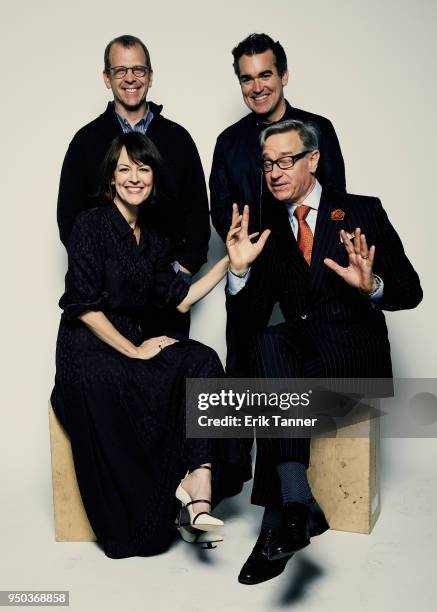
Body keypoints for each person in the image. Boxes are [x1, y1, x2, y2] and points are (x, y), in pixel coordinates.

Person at [225, 119, 423, 584]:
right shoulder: (269, 227)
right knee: (268, 344)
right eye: (268, 162)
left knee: (275, 387)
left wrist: (371, 284)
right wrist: (239, 273)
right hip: (302, 357)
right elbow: (250, 319)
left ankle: (280, 524)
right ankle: (297, 505)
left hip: (355, 354)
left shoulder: (361, 211)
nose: (274, 171)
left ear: (313, 160)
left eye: (286, 160)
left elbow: (410, 290)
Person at [51, 132, 246, 559]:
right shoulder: (89, 225)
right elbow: (83, 308)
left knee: (202, 359)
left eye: (142, 168)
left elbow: (181, 297)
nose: (134, 177)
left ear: (153, 176)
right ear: (111, 179)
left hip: (131, 338)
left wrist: (230, 261)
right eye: (124, 169)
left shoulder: (156, 238)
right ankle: (145, 512)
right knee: (109, 378)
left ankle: (199, 480)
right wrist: (134, 350)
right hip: (87, 345)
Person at [210, 32, 346, 376]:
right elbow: (220, 206)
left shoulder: (318, 130)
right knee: (241, 365)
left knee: (317, 359)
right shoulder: (228, 142)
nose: (257, 87)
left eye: (265, 75)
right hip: (253, 265)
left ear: (283, 76)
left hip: (309, 264)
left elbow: (335, 200)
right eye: (247, 78)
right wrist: (246, 248)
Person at [57, 34, 210, 337]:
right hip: (105, 301)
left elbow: (197, 216)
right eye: (120, 71)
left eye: (138, 70)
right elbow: (69, 219)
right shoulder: (85, 142)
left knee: (171, 377)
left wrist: (180, 273)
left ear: (150, 77)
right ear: (107, 77)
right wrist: (102, 279)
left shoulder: (178, 139)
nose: (130, 78)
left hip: (165, 296)